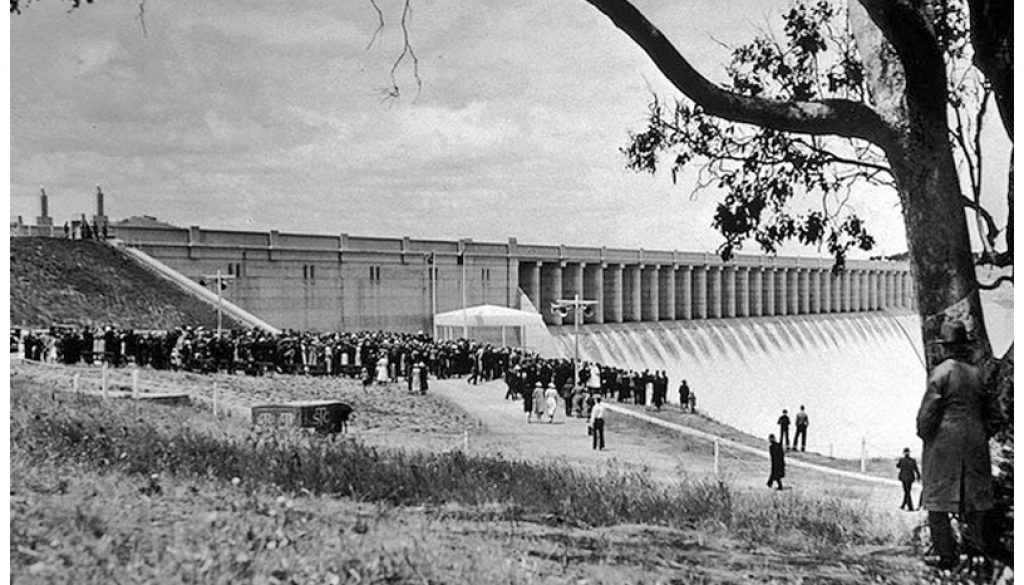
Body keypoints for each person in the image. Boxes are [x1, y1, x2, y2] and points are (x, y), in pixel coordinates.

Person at [917, 320, 999, 570]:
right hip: (975, 441)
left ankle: (947, 555)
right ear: (963, 347)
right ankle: (976, 551)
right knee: (975, 497)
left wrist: (924, 433)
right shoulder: (977, 374)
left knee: (938, 500)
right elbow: (993, 413)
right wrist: (982, 432)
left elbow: (928, 414)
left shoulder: (941, 373)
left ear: (945, 348)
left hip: (945, 443)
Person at [897, 447, 921, 511]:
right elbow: (916, 469)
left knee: (906, 492)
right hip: (910, 478)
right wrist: (919, 476)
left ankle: (910, 507)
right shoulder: (913, 460)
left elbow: (898, 466)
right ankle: (903, 505)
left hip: (903, 478)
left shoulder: (902, 460)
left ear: (904, 453)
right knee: (907, 491)